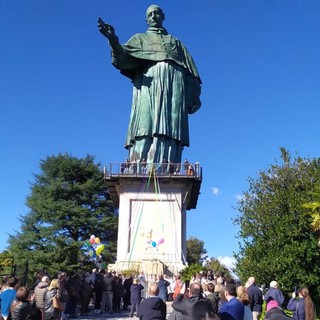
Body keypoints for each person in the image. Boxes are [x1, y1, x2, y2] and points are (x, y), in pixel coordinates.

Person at [98, 5, 201, 165]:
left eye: (157, 13)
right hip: (149, 86)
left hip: (175, 88)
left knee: (172, 127)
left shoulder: (176, 43)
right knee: (145, 123)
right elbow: (122, 60)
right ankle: (140, 163)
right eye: (150, 14)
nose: (153, 16)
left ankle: (168, 164)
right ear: (146, 20)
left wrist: (194, 96)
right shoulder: (140, 39)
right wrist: (113, 40)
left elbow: (191, 72)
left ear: (163, 16)